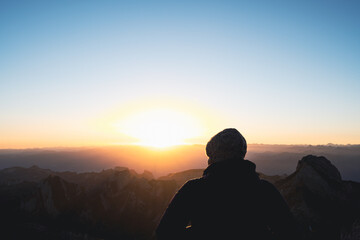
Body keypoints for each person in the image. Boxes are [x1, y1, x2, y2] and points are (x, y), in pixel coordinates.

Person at [156, 128, 299, 240]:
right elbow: (290, 232)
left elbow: (165, 233)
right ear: (242, 154)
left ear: (212, 156)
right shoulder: (264, 190)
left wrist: (199, 233)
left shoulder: (194, 190)